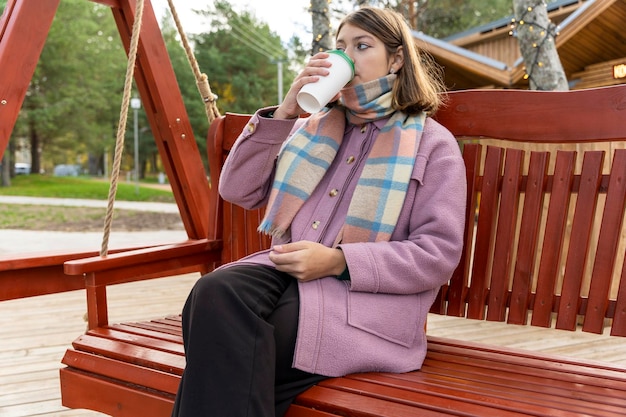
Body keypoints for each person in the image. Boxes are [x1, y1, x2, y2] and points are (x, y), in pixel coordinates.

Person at [171, 6, 467, 417]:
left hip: (365, 302)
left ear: (396, 59)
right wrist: (287, 110)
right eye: (340, 47)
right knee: (213, 294)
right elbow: (236, 189)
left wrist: (338, 261)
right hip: (289, 276)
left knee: (234, 349)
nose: (346, 57)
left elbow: (437, 253)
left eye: (362, 46)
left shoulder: (431, 144)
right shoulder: (312, 129)